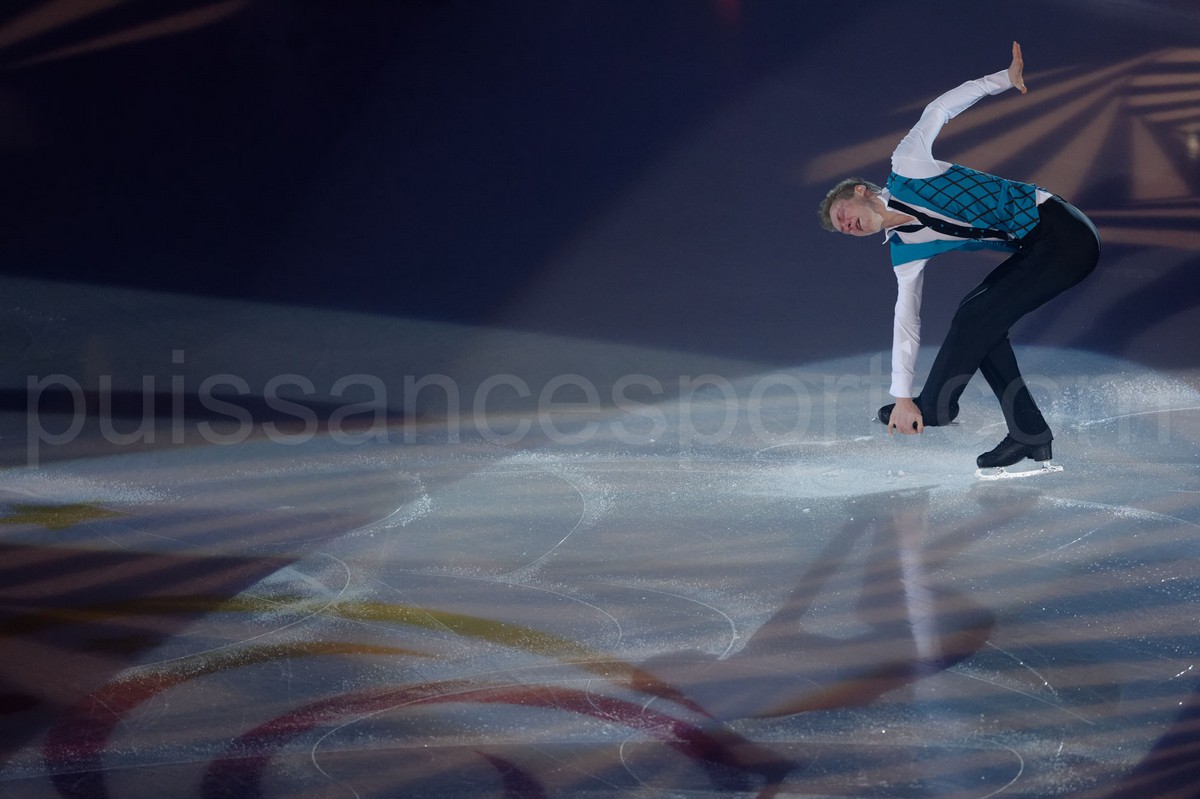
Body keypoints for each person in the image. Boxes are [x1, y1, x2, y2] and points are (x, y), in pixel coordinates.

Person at [817, 42, 1100, 469]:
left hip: (1064, 232)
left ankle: (939, 406)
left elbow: (940, 109)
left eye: (844, 214)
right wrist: (901, 397)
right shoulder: (905, 252)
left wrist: (1002, 80)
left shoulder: (907, 165)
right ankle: (1028, 434)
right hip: (1041, 247)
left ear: (861, 192)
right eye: (844, 230)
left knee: (976, 318)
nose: (848, 226)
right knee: (979, 322)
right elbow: (906, 323)